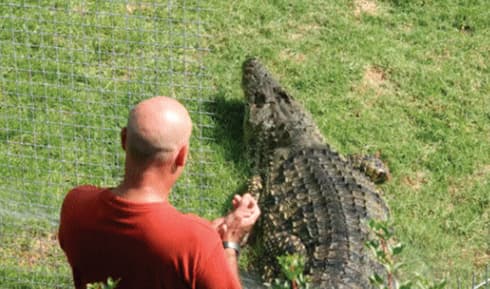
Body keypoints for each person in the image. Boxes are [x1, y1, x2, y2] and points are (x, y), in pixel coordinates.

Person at [58, 96, 260, 289]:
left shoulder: (75, 205)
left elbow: (134, 245)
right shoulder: (196, 244)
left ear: (123, 139)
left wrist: (207, 238)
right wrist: (228, 246)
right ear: (182, 156)